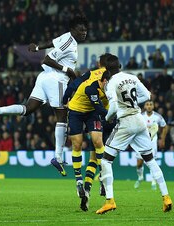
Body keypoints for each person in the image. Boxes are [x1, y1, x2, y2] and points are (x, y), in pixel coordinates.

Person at [0, 14, 88, 176]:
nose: (84, 33)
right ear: (73, 30)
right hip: (56, 79)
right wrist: (69, 70)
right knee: (62, 116)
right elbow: (46, 60)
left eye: (85, 30)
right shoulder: (69, 43)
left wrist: (37, 47)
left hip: (43, 78)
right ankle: (58, 157)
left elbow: (52, 43)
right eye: (81, 30)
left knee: (28, 109)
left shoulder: (66, 37)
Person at [96, 55, 172, 214]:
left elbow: (115, 107)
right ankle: (166, 197)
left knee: (105, 161)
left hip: (126, 122)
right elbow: (147, 95)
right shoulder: (131, 77)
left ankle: (110, 200)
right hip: (139, 120)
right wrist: (133, 104)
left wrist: (107, 118)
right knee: (150, 160)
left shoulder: (111, 83)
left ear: (105, 68)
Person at [63, 53, 112, 211]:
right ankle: (79, 181)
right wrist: (65, 99)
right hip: (77, 110)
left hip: (94, 113)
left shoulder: (113, 81)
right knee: (77, 144)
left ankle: (103, 180)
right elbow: (75, 83)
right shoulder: (94, 77)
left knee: (98, 142)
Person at [134, 100, 168, 190]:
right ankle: (140, 177)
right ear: (145, 106)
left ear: (153, 106)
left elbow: (165, 126)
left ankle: (153, 182)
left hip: (152, 142)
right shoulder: (140, 116)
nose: (149, 106)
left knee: (152, 161)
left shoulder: (157, 117)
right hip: (141, 141)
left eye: (151, 104)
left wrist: (162, 139)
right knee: (139, 163)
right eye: (147, 104)